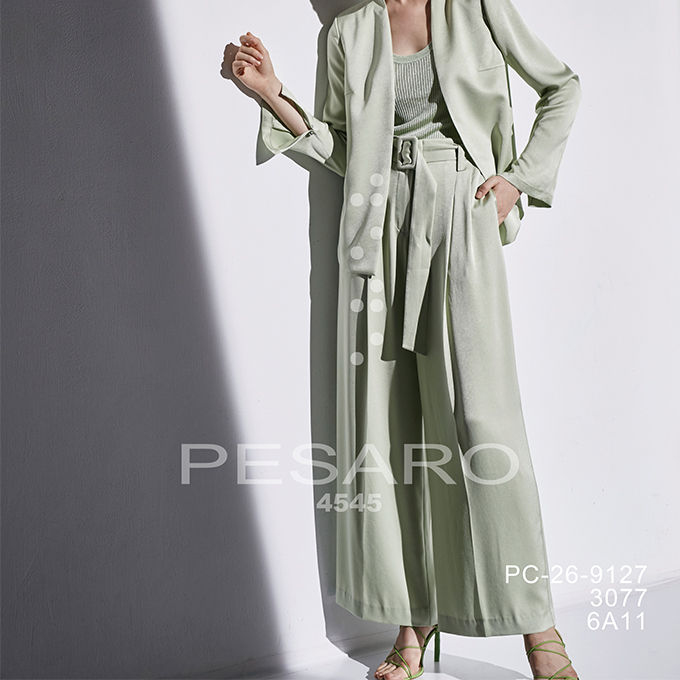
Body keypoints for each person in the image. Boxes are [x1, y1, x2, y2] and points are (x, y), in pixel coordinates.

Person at [232, 0, 581, 678]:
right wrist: (273, 95)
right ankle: (412, 624)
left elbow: (562, 87)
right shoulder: (348, 31)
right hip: (381, 223)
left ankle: (539, 626)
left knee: (483, 422)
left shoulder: (475, 7)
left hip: (461, 209)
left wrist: (518, 182)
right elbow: (343, 148)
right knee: (391, 431)